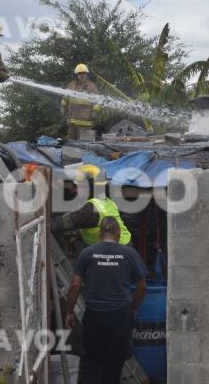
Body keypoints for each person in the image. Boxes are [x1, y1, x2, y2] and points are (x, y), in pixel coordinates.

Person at [65, 217, 147, 384]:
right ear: (118, 233)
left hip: (95, 317)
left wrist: (69, 312)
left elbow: (75, 285)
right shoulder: (129, 254)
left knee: (92, 364)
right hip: (120, 317)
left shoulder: (87, 254)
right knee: (114, 365)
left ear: (99, 233)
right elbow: (142, 286)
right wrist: (133, 306)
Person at [51, 164, 132, 246]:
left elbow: (62, 223)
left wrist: (44, 223)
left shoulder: (91, 209)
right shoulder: (107, 202)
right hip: (122, 246)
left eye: (80, 186)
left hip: (115, 251)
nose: (76, 190)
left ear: (90, 188)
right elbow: (92, 226)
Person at [61, 64, 101, 141]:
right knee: (72, 142)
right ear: (77, 74)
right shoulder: (71, 84)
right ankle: (72, 153)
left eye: (83, 73)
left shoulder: (91, 86)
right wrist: (63, 107)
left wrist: (95, 111)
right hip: (72, 119)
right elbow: (65, 98)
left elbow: (97, 101)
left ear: (86, 74)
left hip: (84, 120)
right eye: (80, 73)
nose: (81, 75)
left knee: (84, 142)